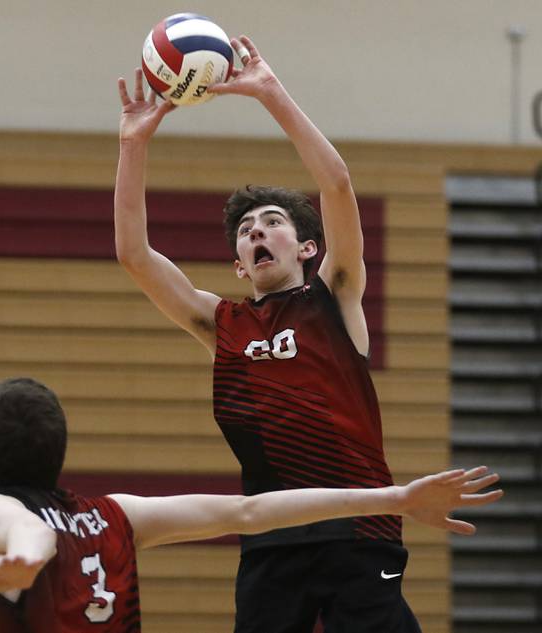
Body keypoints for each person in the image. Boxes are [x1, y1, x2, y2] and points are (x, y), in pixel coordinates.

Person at [114, 35, 443, 632]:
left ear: (307, 247)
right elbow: (134, 255)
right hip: (271, 534)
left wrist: (270, 92)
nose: (258, 232)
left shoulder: (335, 294)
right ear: (240, 263)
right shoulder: (222, 324)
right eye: (246, 230)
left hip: (359, 531)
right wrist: (133, 144)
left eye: (273, 223)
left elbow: (338, 184)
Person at [0, 376, 502, 633]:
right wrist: (396, 497)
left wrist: (29, 556)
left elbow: (24, 529)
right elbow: (251, 512)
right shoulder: (115, 514)